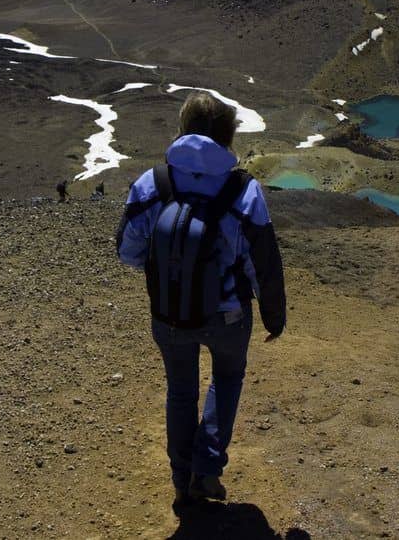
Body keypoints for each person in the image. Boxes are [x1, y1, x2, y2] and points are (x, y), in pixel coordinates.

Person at [116, 92, 287, 510]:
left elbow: (128, 250)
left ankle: (180, 479)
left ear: (183, 127)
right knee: (226, 381)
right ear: (228, 135)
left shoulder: (153, 182)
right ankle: (206, 473)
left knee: (180, 391)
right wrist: (273, 318)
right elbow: (260, 263)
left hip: (169, 314)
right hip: (228, 316)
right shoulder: (243, 189)